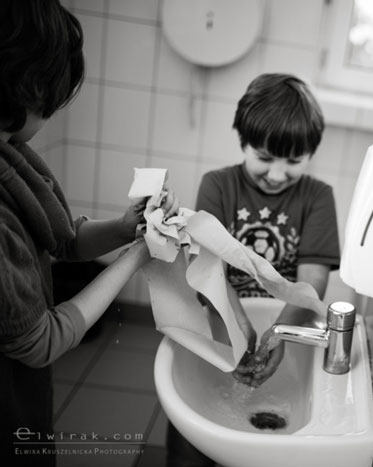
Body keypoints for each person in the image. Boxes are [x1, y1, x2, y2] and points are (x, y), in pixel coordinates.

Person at [0, 2, 179, 465]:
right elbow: (39, 341)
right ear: (29, 87)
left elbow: (61, 240)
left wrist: (124, 228)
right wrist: (136, 256)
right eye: (51, 96)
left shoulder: (11, 155)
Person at [166, 73, 340, 466]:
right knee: (192, 439)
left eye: (293, 161)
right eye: (264, 157)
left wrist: (279, 332)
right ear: (243, 142)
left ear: (310, 154)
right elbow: (207, 266)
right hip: (218, 319)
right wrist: (239, 323)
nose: (277, 174)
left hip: (283, 322)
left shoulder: (318, 197)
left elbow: (312, 280)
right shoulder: (218, 185)